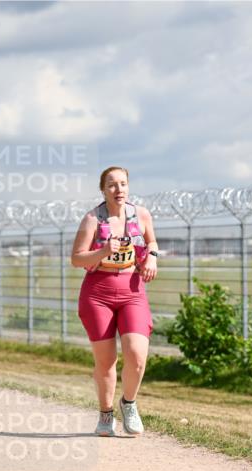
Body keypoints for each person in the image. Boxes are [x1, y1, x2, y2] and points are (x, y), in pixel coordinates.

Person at [70, 167, 159, 437]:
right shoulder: (92, 220)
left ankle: (128, 403)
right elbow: (76, 259)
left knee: (137, 355)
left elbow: (151, 240)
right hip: (98, 294)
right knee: (106, 360)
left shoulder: (140, 214)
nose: (118, 189)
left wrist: (152, 256)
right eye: (111, 185)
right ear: (103, 189)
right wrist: (105, 250)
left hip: (132, 290)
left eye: (123, 184)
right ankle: (105, 413)